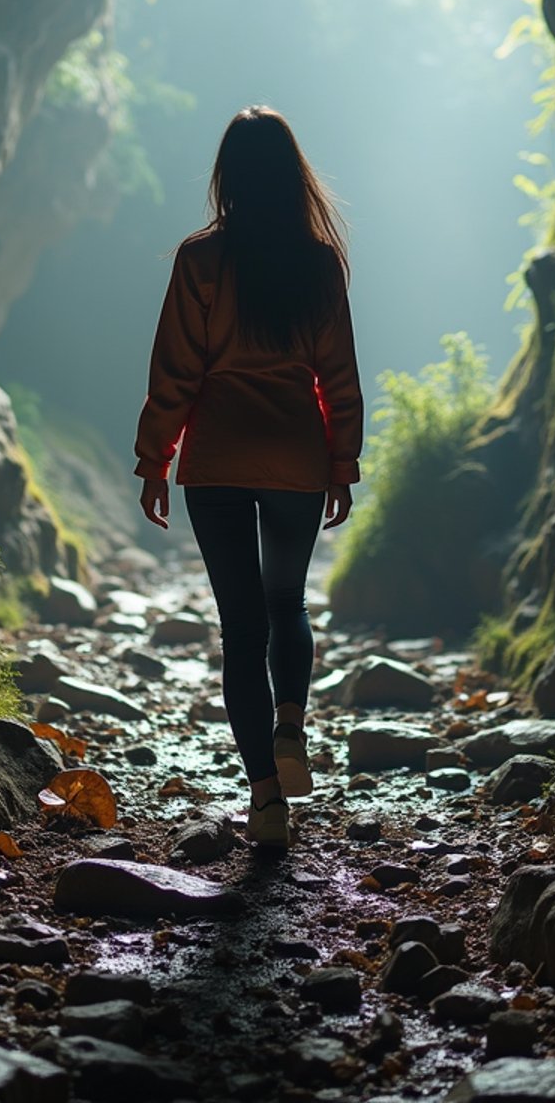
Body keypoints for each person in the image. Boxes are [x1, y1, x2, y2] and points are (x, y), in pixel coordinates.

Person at [134, 106, 363, 848]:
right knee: (286, 601)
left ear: (226, 175)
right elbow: (340, 376)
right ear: (293, 173)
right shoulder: (320, 261)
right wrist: (341, 461)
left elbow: (175, 372)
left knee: (242, 628)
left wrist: (154, 459)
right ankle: (290, 723)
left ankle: (266, 801)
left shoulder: (201, 260)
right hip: (296, 453)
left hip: (219, 460)